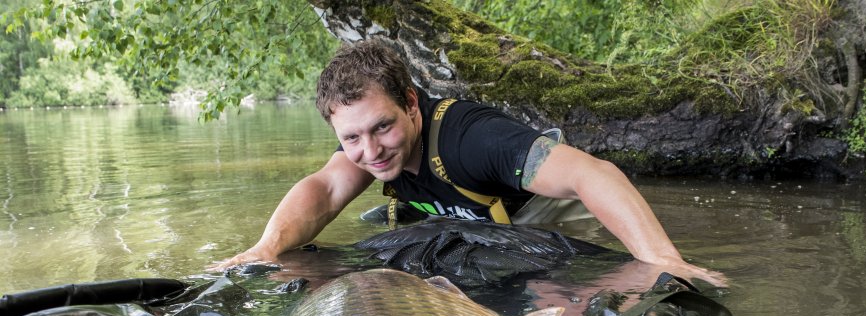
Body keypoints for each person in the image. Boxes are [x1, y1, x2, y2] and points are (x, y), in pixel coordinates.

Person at [213, 39, 725, 288]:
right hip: (468, 221)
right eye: (352, 138)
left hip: (537, 216)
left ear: (411, 104)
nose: (371, 152)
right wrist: (264, 249)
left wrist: (663, 262)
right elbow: (323, 191)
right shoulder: (365, 152)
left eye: (383, 127)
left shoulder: (471, 138)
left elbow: (597, 175)